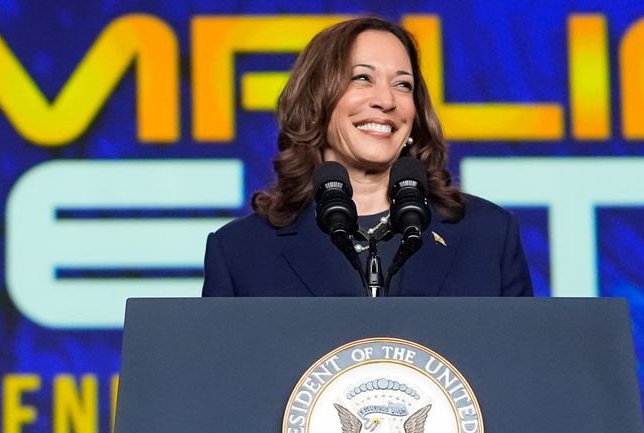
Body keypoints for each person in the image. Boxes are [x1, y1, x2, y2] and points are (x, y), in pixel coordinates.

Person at [202, 17, 532, 297]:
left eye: (403, 85)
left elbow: (519, 365)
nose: (386, 100)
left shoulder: (487, 235)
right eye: (362, 78)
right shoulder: (241, 252)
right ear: (316, 102)